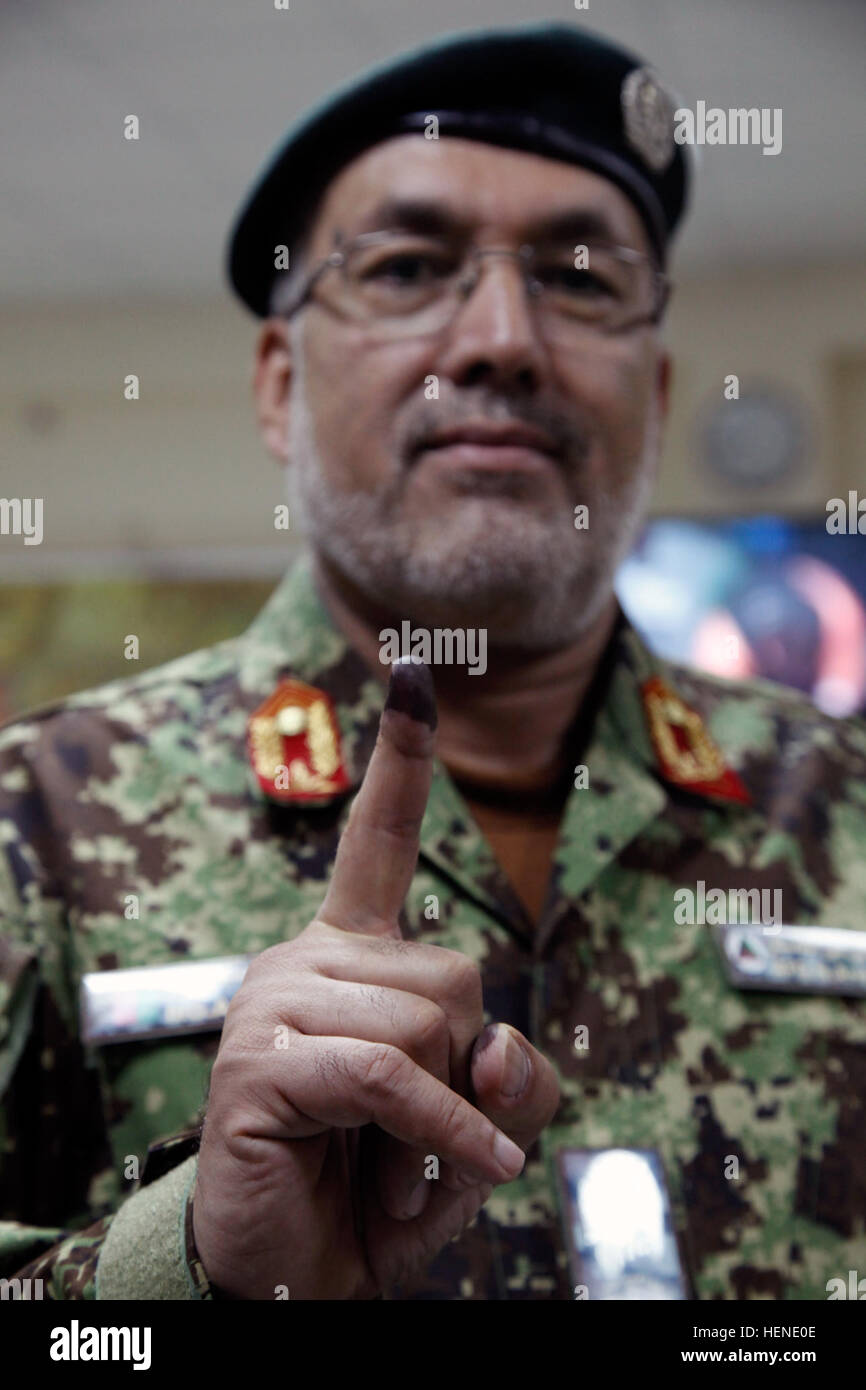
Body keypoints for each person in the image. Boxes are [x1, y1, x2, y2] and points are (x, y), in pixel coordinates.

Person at [2, 22, 866, 1302]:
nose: (504, 339)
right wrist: (183, 1266)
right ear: (279, 384)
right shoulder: (40, 820)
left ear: (659, 389)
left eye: (580, 278)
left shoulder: (840, 801)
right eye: (409, 267)